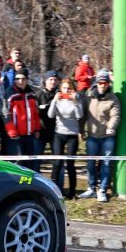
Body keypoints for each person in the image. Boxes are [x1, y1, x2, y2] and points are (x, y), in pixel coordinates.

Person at [81, 70, 121, 201]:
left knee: (106, 163)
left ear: (108, 83)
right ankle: (91, 188)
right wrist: (82, 130)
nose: (103, 85)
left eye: (105, 82)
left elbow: (115, 115)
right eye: (100, 82)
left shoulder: (113, 98)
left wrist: (111, 127)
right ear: (96, 83)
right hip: (92, 135)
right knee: (91, 163)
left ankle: (102, 189)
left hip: (107, 137)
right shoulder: (89, 96)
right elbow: (83, 114)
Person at [48, 78, 83, 200]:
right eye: (64, 88)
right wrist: (54, 101)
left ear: (72, 89)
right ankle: (53, 190)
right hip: (59, 133)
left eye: (69, 88)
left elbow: (80, 116)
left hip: (72, 134)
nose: (66, 90)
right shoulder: (58, 100)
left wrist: (75, 102)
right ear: (61, 89)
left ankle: (72, 192)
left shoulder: (76, 99)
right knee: (57, 163)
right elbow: (50, 115)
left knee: (70, 164)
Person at [4, 69, 42, 171]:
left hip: (29, 133)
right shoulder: (9, 93)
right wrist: (11, 131)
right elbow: (5, 114)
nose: (20, 81)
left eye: (23, 79)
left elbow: (35, 113)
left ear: (27, 80)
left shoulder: (31, 94)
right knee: (18, 161)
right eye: (18, 79)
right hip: (15, 134)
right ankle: (17, 184)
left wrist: (37, 128)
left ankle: (28, 184)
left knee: (30, 161)